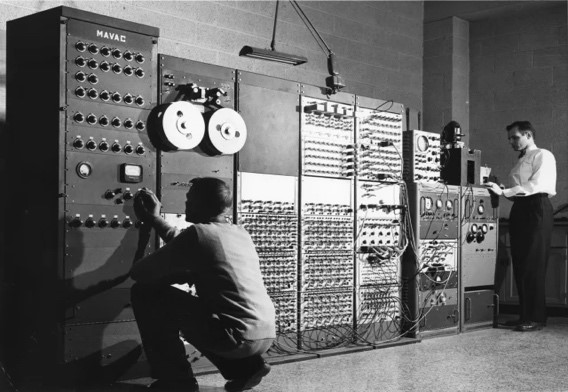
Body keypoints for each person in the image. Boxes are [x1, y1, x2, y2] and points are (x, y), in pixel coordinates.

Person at [130, 177, 276, 391]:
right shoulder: (239, 232)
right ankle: (246, 367)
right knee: (201, 314)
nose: (186, 204)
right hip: (263, 335)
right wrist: (155, 220)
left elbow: (138, 273)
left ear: (202, 203)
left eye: (190, 200)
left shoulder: (198, 234)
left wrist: (146, 227)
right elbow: (184, 241)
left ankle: (177, 381)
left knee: (145, 293)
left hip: (233, 338)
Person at [485, 121, 556, 332]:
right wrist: (503, 189)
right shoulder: (523, 159)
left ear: (528, 134)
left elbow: (536, 186)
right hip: (521, 209)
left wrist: (504, 192)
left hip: (536, 208)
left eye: (515, 137)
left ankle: (536, 318)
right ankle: (524, 315)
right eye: (509, 138)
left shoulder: (543, 155)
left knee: (533, 265)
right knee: (522, 264)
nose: (511, 142)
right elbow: (522, 187)